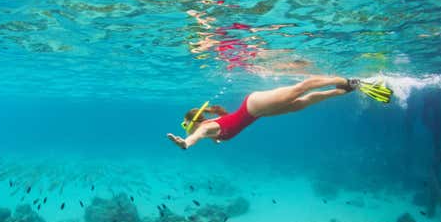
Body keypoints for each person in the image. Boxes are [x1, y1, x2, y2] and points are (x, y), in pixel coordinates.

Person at [167, 76, 391, 150]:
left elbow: (198, 135)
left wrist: (186, 143)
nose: (188, 130)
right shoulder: (210, 129)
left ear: (194, 123)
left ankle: (349, 81)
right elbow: (214, 134)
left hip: (253, 106)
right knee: (301, 103)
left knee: (299, 90)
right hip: (258, 113)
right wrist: (211, 139)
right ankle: (343, 90)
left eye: (186, 126)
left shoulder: (205, 129)